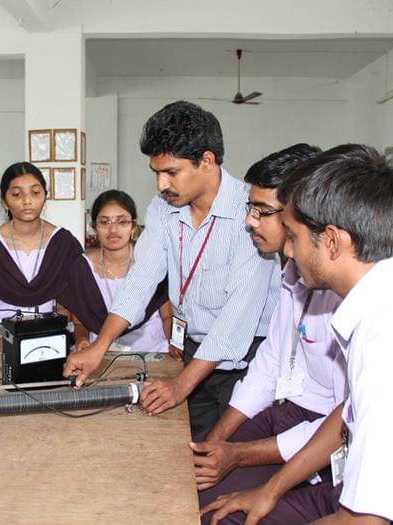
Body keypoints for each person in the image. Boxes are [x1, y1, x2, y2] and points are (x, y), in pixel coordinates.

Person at [202, 144, 393, 525]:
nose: (290, 252)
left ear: (332, 241)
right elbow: (346, 415)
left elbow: (364, 520)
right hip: (370, 495)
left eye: (294, 237)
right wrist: (270, 490)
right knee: (226, 509)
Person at [63, 101, 278, 435]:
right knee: (187, 446)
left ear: (207, 161)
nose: (161, 184)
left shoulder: (249, 212)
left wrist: (181, 385)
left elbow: (237, 318)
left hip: (246, 359)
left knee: (231, 451)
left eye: (171, 172)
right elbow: (141, 281)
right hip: (192, 351)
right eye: (156, 173)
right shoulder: (164, 208)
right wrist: (99, 347)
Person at [194, 144, 348, 524]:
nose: (251, 222)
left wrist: (239, 455)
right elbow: (269, 364)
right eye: (250, 209)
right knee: (191, 479)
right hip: (286, 409)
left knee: (218, 511)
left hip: (322, 435)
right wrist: (218, 438)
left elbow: (343, 421)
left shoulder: (342, 292)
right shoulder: (291, 273)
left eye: (263, 212)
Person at [0, 162, 82, 349]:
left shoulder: (63, 243)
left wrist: (58, 329)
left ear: (45, 196)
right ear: (4, 202)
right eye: (17, 194)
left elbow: (71, 305)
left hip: (47, 334)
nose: (27, 201)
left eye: (35, 192)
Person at [65, 190, 172, 354]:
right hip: (99, 353)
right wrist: (81, 340)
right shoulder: (81, 267)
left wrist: (175, 344)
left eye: (122, 222)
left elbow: (167, 317)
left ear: (133, 226)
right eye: (104, 222)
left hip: (152, 351)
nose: (113, 229)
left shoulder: (152, 262)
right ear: (94, 228)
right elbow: (80, 323)